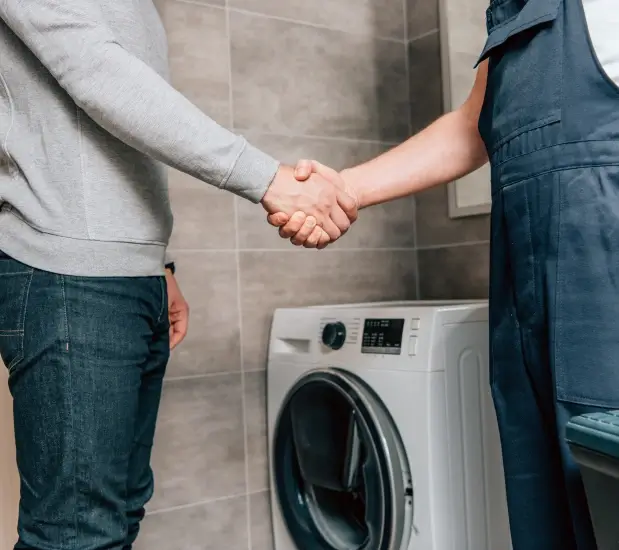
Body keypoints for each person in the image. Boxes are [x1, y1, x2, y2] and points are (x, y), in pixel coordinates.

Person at [0, 1, 357, 549]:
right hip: (67, 272)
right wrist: (269, 178)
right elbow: (98, 76)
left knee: (119, 517)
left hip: (126, 277)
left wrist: (158, 263)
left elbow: (121, 135)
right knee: (76, 535)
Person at [271, 0, 619, 548]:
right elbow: (471, 127)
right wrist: (345, 191)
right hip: (521, 290)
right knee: (542, 504)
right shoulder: (512, 9)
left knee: (604, 494)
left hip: (600, 278)